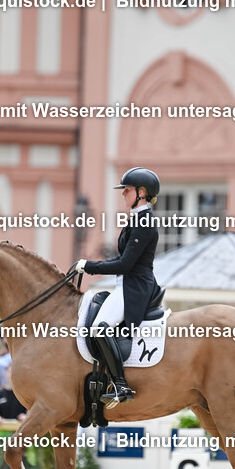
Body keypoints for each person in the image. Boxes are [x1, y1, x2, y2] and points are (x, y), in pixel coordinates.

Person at [75, 167, 163, 404]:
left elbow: (124, 264)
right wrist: (88, 264)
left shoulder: (144, 222)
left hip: (135, 287)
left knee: (100, 327)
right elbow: (120, 260)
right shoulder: (136, 219)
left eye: (127, 190)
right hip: (126, 284)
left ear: (141, 193)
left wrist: (90, 266)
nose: (123, 194)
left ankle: (121, 385)